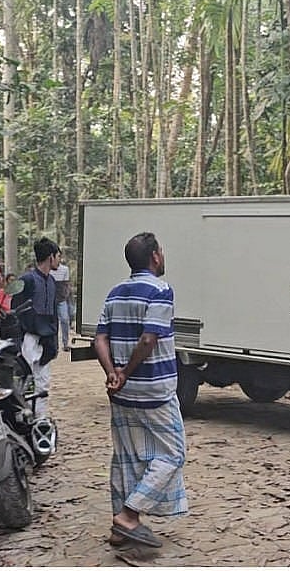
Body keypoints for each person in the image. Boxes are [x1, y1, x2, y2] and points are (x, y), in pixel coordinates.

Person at [94, 232, 188, 549]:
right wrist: (126, 372)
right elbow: (149, 340)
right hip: (155, 393)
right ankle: (130, 515)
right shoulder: (161, 291)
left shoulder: (115, 293)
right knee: (173, 454)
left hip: (121, 394)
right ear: (155, 257)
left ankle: (119, 530)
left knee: (124, 458)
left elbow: (100, 338)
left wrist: (113, 375)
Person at [12, 238, 61, 421]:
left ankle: (39, 418)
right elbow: (15, 311)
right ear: (51, 257)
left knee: (43, 382)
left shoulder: (52, 282)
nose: (59, 261)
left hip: (46, 338)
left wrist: (54, 341)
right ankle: (21, 417)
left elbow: (54, 312)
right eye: (58, 256)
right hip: (29, 338)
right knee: (25, 380)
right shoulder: (27, 280)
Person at [52, 253, 74, 352]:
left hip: (62, 299)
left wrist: (67, 295)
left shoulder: (65, 269)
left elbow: (66, 284)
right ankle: (54, 345)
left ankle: (65, 343)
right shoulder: (49, 270)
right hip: (51, 300)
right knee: (53, 322)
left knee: (65, 319)